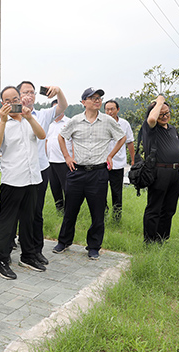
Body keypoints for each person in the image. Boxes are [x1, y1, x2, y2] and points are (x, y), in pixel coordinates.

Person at [53, 88, 126, 260]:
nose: (97, 100)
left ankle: (93, 246)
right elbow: (61, 137)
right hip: (77, 172)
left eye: (99, 98)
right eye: (92, 98)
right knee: (70, 210)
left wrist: (110, 155)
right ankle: (64, 241)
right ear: (83, 102)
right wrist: (67, 157)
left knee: (98, 212)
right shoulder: (75, 121)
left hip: (98, 173)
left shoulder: (108, 121)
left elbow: (121, 137)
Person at [0, 87, 46, 279]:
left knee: (29, 220)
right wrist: (4, 121)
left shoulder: (29, 119)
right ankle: (1, 261)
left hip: (32, 178)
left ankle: (28, 255)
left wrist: (30, 117)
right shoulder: (0, 123)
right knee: (7, 222)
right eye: (8, 100)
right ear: (3, 104)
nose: (13, 102)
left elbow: (42, 136)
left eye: (16, 98)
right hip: (13, 180)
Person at [18, 81, 68, 265]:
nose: (29, 95)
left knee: (36, 213)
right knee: (21, 213)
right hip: (19, 171)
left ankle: (36, 250)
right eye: (25, 92)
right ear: (18, 95)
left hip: (40, 169)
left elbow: (63, 106)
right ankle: (22, 249)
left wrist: (59, 91)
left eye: (32, 92)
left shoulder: (43, 115)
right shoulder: (13, 116)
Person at [142, 96, 179, 243]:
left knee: (169, 208)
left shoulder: (172, 129)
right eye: (161, 114)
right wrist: (160, 101)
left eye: (167, 113)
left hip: (174, 172)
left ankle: (162, 239)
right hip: (158, 172)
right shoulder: (151, 128)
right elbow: (151, 119)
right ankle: (150, 241)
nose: (165, 116)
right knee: (155, 208)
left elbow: (171, 149)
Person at [104, 100, 135, 221]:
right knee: (101, 191)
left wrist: (133, 160)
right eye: (107, 109)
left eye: (112, 109)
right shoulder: (101, 122)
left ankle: (116, 218)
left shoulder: (124, 124)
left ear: (118, 110)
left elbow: (130, 142)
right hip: (102, 163)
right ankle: (103, 214)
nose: (109, 112)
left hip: (118, 164)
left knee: (117, 192)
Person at [46, 99, 72, 213]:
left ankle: (69, 210)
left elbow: (74, 142)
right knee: (54, 188)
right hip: (50, 161)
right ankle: (59, 210)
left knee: (67, 188)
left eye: (59, 108)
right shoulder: (49, 124)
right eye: (55, 109)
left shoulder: (69, 122)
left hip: (64, 161)